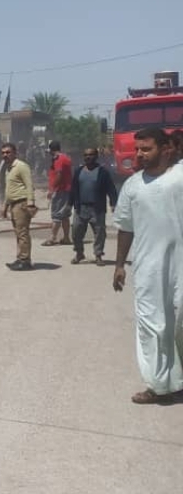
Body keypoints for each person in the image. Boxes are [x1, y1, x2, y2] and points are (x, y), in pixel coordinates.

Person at [111, 127, 183, 405]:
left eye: (146, 148)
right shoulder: (132, 186)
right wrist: (119, 265)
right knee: (152, 326)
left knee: (179, 324)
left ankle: (178, 379)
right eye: (137, 149)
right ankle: (157, 384)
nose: (139, 154)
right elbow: (125, 228)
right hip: (149, 268)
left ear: (166, 149)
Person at [69, 147, 118, 265]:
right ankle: (79, 253)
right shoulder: (79, 171)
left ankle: (98, 255)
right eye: (86, 155)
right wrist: (69, 204)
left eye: (90, 155)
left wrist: (113, 203)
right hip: (81, 208)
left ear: (96, 157)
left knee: (100, 233)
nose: (88, 157)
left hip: (97, 209)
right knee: (76, 232)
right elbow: (73, 189)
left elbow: (111, 188)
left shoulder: (103, 172)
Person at [2, 142, 37, 270]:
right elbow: (9, 189)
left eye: (8, 152)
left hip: (21, 203)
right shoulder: (8, 168)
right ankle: (20, 258)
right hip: (13, 204)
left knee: (22, 233)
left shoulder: (21, 166)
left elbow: (29, 185)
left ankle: (25, 260)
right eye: (3, 153)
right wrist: (5, 206)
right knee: (18, 233)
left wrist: (31, 204)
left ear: (15, 153)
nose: (5, 155)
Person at [42, 140, 73, 246]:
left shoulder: (59, 159)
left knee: (56, 214)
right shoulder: (65, 158)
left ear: (52, 150)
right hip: (66, 190)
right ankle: (66, 238)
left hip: (60, 191)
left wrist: (51, 189)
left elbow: (59, 175)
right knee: (64, 215)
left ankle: (52, 238)